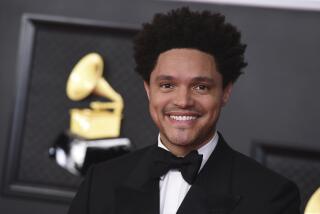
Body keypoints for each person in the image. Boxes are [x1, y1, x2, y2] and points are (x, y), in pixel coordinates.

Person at [68, 7, 300, 214]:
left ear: (225, 92)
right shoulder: (100, 182)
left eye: (201, 87)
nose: (183, 101)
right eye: (167, 85)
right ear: (149, 90)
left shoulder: (271, 196)